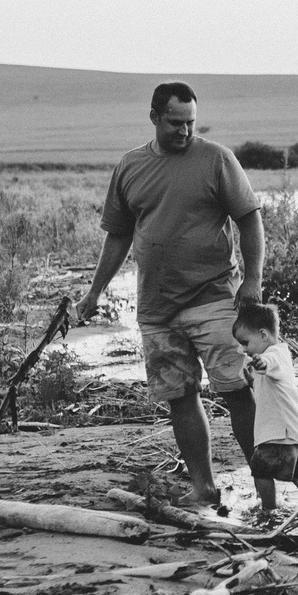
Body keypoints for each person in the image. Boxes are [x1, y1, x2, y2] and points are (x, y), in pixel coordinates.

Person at [79, 82, 264, 509]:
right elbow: (118, 235)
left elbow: (250, 222)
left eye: (190, 123)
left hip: (215, 296)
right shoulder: (131, 166)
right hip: (157, 307)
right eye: (175, 123)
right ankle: (203, 487)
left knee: (237, 390)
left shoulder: (217, 159)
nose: (184, 131)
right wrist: (94, 292)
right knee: (179, 396)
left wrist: (252, 281)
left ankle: (265, 485)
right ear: (154, 118)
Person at [232, 300, 298, 521]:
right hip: (296, 430)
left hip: (279, 432)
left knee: (261, 473)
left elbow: (269, 364)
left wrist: (260, 363)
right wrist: (251, 378)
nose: (242, 349)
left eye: (245, 343)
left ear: (264, 335)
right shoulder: (282, 355)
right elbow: (267, 381)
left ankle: (268, 512)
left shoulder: (274, 354)